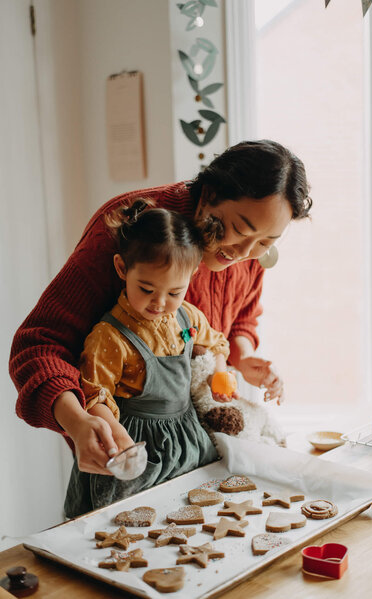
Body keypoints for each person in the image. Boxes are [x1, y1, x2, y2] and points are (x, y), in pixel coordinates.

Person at [9, 139, 311, 479]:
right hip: (128, 453)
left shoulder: (249, 250)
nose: (245, 252)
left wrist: (243, 354)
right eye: (239, 230)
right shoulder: (133, 228)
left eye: (266, 243)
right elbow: (38, 346)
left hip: (205, 449)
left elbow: (241, 316)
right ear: (209, 194)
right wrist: (78, 421)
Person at [64, 202, 232, 517]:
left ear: (192, 277)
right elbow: (93, 393)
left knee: (193, 515)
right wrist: (114, 433)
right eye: (146, 288)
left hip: (188, 438)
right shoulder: (110, 336)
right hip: (137, 446)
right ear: (122, 269)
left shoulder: (188, 317)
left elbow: (216, 343)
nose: (159, 302)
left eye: (174, 292)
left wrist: (218, 373)